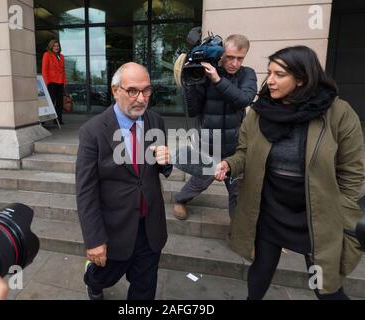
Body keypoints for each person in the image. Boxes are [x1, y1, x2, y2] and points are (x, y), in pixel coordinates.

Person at [214, 46, 365, 299]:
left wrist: (342, 212)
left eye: (279, 74)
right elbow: (244, 153)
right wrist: (229, 164)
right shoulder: (259, 112)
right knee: (260, 271)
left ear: (301, 78)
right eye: (269, 72)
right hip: (269, 208)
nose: (270, 80)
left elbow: (351, 172)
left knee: (323, 285)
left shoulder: (338, 113)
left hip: (314, 216)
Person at [76, 62, 172, 300]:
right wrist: (94, 239)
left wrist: (165, 161)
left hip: (150, 225)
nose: (141, 98)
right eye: (132, 91)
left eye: (146, 90)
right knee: (103, 276)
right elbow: (86, 191)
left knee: (144, 289)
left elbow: (156, 170)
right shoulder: (93, 131)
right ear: (115, 90)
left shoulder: (156, 121)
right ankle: (92, 281)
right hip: (114, 229)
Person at [173, 34, 257, 220]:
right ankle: (180, 200)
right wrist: (190, 82)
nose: (234, 63)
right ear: (221, 54)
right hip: (210, 143)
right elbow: (193, 110)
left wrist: (217, 80)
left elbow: (244, 99)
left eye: (240, 58)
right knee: (201, 181)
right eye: (230, 57)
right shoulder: (206, 73)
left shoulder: (247, 74)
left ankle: (238, 232)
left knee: (237, 190)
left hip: (236, 145)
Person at [42, 39, 66, 125]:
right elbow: (44, 70)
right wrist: (47, 82)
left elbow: (63, 71)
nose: (56, 47)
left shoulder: (62, 56)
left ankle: (58, 120)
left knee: (59, 102)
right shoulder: (47, 55)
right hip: (51, 82)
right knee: (50, 101)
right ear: (51, 46)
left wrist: (64, 82)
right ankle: (43, 120)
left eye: (58, 46)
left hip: (60, 82)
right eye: (54, 46)